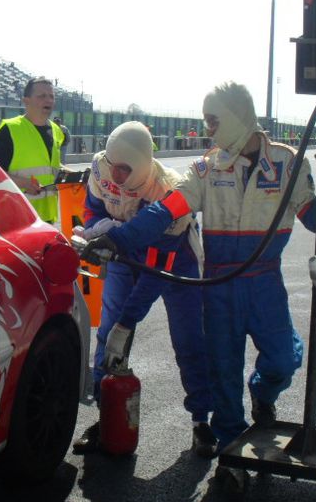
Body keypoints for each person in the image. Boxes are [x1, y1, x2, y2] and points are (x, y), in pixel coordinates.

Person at [81, 82, 316, 451]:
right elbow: (163, 213)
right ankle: (228, 446)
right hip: (219, 281)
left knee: (282, 360)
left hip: (263, 279)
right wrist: (115, 240)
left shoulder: (287, 163)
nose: (208, 131)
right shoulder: (204, 169)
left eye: (213, 121)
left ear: (237, 118)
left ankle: (263, 392)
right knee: (223, 372)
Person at [71, 122, 215, 457]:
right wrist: (99, 226)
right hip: (121, 251)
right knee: (108, 335)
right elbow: (91, 208)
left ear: (143, 165)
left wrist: (129, 322)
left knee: (189, 339)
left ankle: (201, 420)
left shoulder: (172, 191)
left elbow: (156, 269)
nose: (117, 176)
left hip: (174, 260)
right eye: (114, 165)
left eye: (126, 168)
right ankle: (106, 417)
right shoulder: (100, 167)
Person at [0, 77, 66, 224]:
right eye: (42, 96)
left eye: (51, 96)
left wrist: (68, 173)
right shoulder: (10, 129)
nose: (48, 100)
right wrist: (23, 183)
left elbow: (49, 167)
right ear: (26, 101)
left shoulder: (56, 131)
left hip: (47, 217)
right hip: (16, 217)